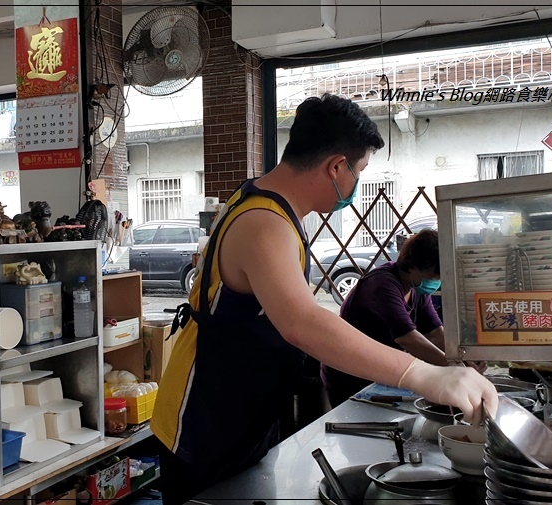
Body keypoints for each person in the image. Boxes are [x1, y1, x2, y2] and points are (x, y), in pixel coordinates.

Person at [150, 93, 498, 505]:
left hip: (240, 414)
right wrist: (426, 374)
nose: (356, 185)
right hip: (204, 425)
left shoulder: (272, 210)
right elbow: (303, 322)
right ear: (336, 166)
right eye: (359, 171)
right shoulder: (264, 224)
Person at [321, 229, 487, 408]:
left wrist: (462, 357)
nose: (436, 281)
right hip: (351, 375)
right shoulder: (382, 285)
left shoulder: (417, 289)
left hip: (380, 375)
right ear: (413, 266)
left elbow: (434, 332)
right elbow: (408, 339)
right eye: (433, 276)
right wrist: (454, 367)